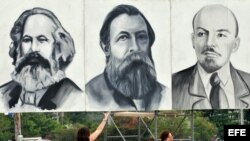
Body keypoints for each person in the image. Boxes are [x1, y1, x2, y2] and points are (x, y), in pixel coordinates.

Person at [86, 4, 168, 111]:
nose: (135, 47)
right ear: (106, 48)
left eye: (141, 37)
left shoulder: (166, 94)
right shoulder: (88, 96)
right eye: (123, 37)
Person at [0, 7, 84, 112]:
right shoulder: (3, 93)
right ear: (18, 47)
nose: (33, 48)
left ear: (58, 47)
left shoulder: (74, 98)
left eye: (42, 40)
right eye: (27, 40)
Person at [172, 4, 250, 109]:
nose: (209, 43)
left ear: (235, 44)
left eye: (221, 35)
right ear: (193, 40)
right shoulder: (172, 86)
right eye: (201, 34)